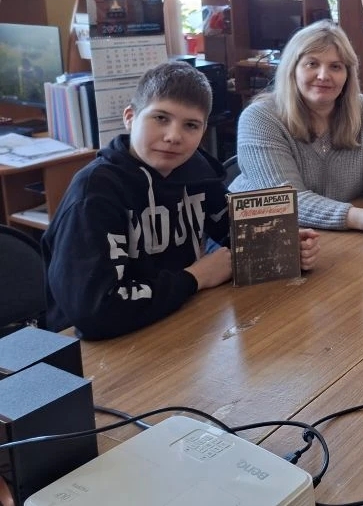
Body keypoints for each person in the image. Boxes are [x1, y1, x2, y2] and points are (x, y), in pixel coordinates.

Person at [41, 62, 321, 340]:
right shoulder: (93, 194)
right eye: (160, 118)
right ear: (130, 117)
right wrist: (195, 277)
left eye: (190, 125)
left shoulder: (194, 170)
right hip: (88, 348)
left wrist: (281, 245)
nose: (174, 136)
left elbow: (234, 234)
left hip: (176, 321)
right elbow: (95, 312)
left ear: (203, 131)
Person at [231, 21, 363, 237]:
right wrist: (360, 218)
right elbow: (284, 201)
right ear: (292, 69)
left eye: (335, 66)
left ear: (347, 74)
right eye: (312, 64)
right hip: (265, 238)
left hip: (341, 237)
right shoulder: (259, 118)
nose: (323, 75)